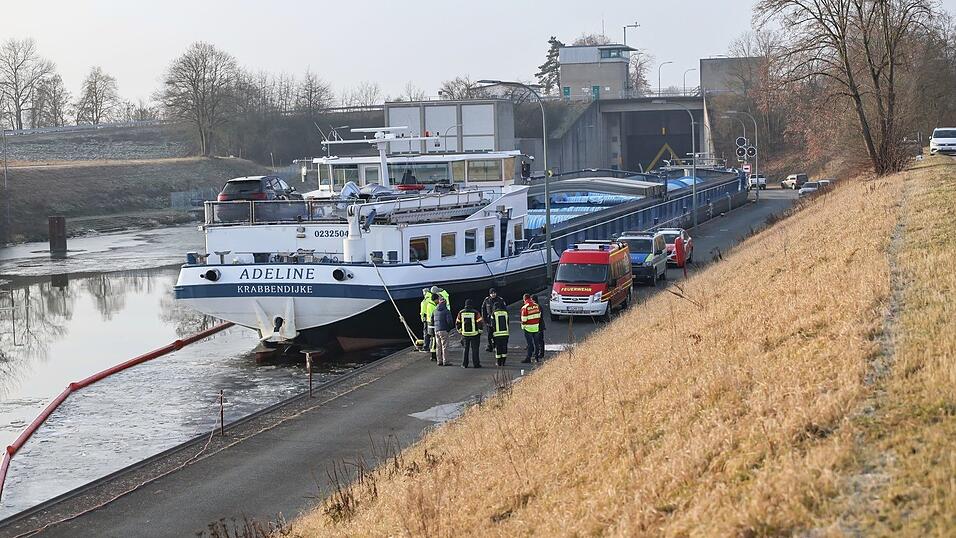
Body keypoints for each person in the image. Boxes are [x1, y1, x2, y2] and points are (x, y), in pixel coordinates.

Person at [456, 299, 483, 368]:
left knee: (465, 349)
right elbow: (480, 323)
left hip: (465, 334)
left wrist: (460, 331)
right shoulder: (475, 312)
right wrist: (480, 331)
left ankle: (464, 364)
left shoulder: (461, 312)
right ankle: (476, 364)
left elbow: (457, 323)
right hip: (474, 334)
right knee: (475, 350)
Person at [432, 295, 454, 366]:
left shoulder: (435, 311)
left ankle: (439, 361)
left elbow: (432, 320)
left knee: (438, 346)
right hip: (444, 330)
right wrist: (449, 329)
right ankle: (446, 361)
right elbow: (450, 321)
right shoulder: (446, 311)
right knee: (445, 346)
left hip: (436, 330)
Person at [520, 293, 541, 364]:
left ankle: (528, 358)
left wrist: (523, 324)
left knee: (529, 344)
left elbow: (524, 319)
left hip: (528, 328)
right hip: (536, 327)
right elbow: (539, 316)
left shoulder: (525, 307)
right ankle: (537, 358)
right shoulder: (536, 306)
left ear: (524, 299)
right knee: (536, 343)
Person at [491, 302, 510, 367]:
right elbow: (507, 322)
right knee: (504, 347)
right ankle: (503, 362)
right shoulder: (505, 313)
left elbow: (492, 325)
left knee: (498, 348)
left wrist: (492, 334)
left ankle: (498, 362)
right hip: (505, 333)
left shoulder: (494, 314)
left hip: (497, 334)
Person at [424, 291, 439, 361]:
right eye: (437, 299)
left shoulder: (430, 305)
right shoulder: (433, 306)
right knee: (434, 341)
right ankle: (433, 356)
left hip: (430, 325)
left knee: (433, 340)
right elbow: (435, 316)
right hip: (432, 325)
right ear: (435, 299)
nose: (438, 301)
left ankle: (433, 354)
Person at [420, 288, 434, 352]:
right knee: (433, 334)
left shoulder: (425, 300)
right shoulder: (432, 297)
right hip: (432, 318)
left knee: (426, 333)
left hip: (427, 318)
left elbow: (423, 311)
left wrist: (423, 318)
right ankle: (432, 346)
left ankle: (426, 347)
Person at [533, 295, 546, 362]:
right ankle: (540, 353)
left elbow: (539, 317)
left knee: (539, 341)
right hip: (540, 326)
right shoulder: (539, 306)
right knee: (540, 340)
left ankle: (541, 353)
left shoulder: (537, 307)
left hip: (539, 326)